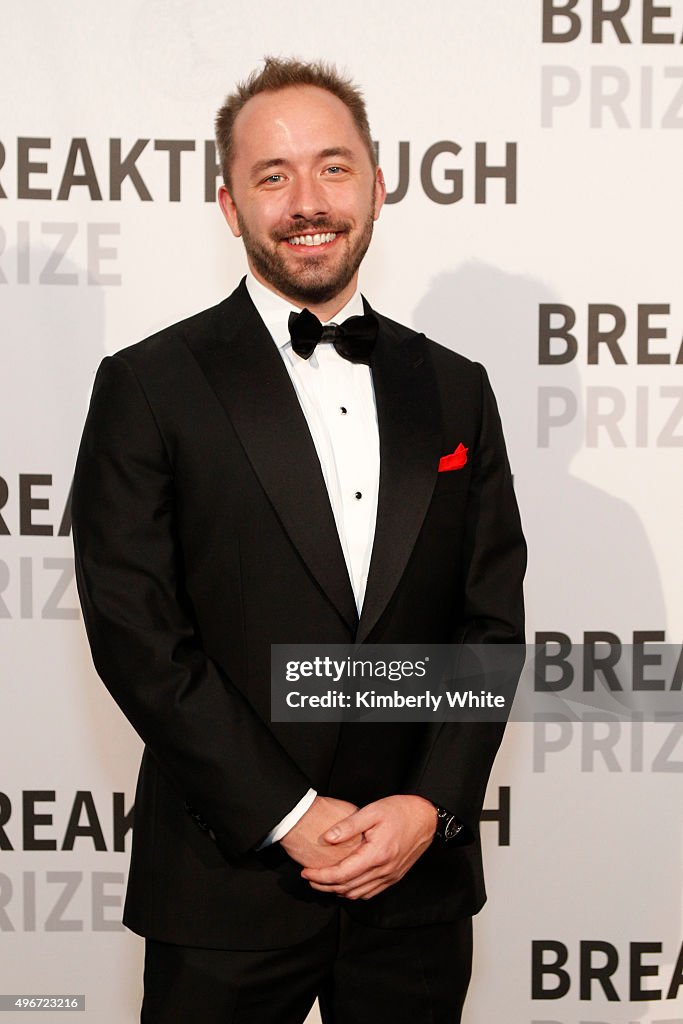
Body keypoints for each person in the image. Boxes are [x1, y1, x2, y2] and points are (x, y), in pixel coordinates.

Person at [72, 57, 526, 1024]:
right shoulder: (150, 385)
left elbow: (487, 624)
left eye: (332, 167)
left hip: (414, 887)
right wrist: (288, 814)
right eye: (272, 176)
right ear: (230, 207)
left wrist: (428, 807)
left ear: (377, 184)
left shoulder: (455, 388)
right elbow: (138, 635)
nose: (307, 201)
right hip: (224, 880)